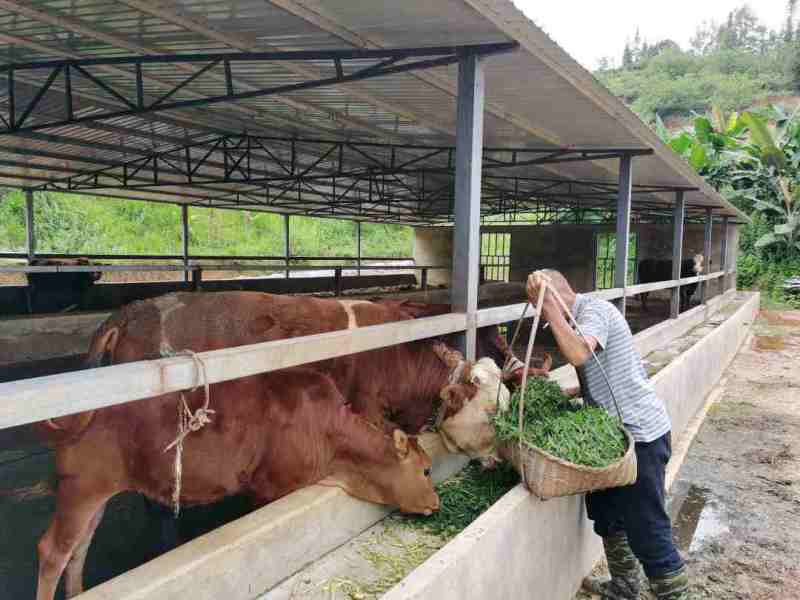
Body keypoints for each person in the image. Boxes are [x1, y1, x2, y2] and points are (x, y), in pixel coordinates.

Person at [525, 270, 688, 600]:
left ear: (555, 297)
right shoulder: (579, 318)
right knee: (607, 513)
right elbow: (599, 371)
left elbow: (580, 354)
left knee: (647, 526)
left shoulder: (595, 311)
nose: (544, 319)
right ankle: (624, 586)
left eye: (541, 311)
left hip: (639, 436)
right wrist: (570, 391)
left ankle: (677, 595)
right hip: (612, 436)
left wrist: (551, 310)